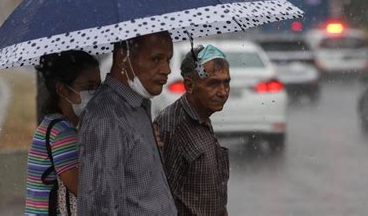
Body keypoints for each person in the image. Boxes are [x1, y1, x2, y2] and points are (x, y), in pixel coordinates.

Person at [77, 31, 177, 215]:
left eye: (168, 60)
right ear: (124, 57)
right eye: (156, 59)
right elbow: (99, 208)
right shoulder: (106, 118)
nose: (166, 70)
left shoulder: (137, 106)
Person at [154, 44, 231, 216]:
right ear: (189, 85)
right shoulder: (172, 127)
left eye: (226, 83)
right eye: (213, 84)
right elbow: (161, 198)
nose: (223, 92)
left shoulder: (202, 117)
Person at [25, 50, 101, 216]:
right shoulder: (62, 133)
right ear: (63, 90)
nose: (96, 93)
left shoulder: (52, 125)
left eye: (98, 87)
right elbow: (84, 190)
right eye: (89, 87)